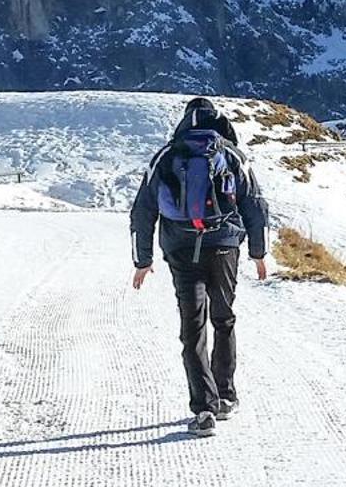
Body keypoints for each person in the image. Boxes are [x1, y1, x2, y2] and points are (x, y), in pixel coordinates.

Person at [130, 97, 270, 437]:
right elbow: (256, 206)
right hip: (223, 247)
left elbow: (143, 211)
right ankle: (226, 395)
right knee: (223, 319)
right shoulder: (232, 155)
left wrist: (142, 261)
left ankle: (203, 410)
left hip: (181, 250)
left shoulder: (167, 155)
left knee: (192, 329)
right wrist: (258, 252)